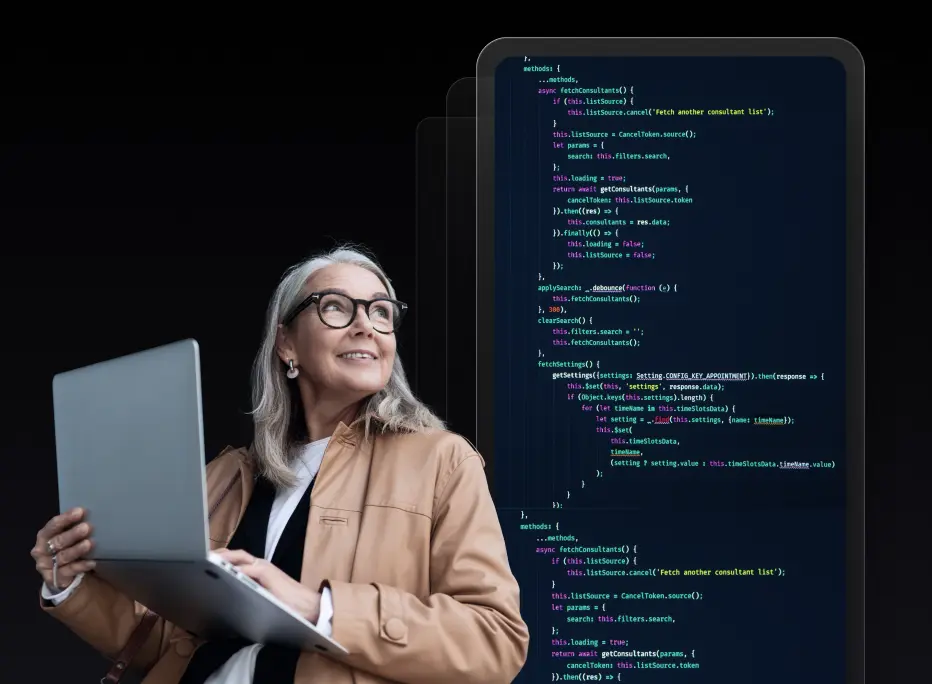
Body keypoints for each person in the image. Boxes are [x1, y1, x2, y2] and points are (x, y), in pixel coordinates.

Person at [32, 246, 529, 684]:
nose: (365, 325)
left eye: (381, 312)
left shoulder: (441, 461)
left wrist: (319, 609)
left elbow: (496, 641)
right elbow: (163, 645)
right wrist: (69, 582)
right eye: (336, 306)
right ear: (286, 343)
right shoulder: (226, 477)